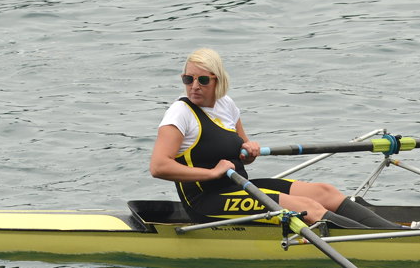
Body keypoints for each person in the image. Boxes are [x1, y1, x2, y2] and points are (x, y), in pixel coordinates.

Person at [150, 48, 398, 229]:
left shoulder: (226, 106)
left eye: (202, 80)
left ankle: (395, 233)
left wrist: (250, 151)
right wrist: (212, 173)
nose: (194, 85)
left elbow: (243, 156)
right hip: (206, 202)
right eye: (188, 79)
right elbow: (159, 167)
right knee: (306, 207)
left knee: (324, 192)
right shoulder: (180, 113)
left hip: (238, 188)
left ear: (218, 81)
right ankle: (378, 243)